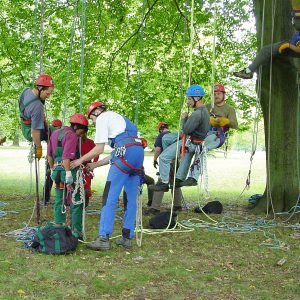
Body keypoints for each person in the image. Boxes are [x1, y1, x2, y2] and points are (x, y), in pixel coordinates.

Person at [71, 101, 144, 250]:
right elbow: (117, 153)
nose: (93, 122)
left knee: (109, 197)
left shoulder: (103, 118)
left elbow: (99, 149)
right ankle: (127, 237)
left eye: (91, 119)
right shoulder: (121, 121)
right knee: (130, 198)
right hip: (137, 153)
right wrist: (95, 165)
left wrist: (80, 160)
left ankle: (103, 238)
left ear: (95, 113)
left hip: (125, 154)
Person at [150, 84, 210, 192]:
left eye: (189, 99)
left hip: (190, 142)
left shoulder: (197, 113)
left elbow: (186, 130)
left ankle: (164, 182)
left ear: (197, 98)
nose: (187, 102)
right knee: (167, 139)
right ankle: (177, 178)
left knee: (163, 157)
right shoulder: (205, 111)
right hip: (196, 143)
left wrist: (184, 119)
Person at [180, 83, 238, 186]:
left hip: (217, 135)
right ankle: (179, 177)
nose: (216, 96)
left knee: (202, 148)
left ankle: (193, 177)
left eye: (219, 93)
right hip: (203, 133)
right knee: (189, 149)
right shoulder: (207, 107)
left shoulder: (229, 109)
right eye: (214, 94)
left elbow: (234, 124)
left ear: (224, 95)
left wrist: (224, 121)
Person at [47, 113, 88, 240]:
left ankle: (59, 227)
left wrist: (53, 168)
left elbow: (49, 155)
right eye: (82, 131)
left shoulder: (54, 133)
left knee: (59, 199)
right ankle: (76, 232)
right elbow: (66, 157)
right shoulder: (72, 136)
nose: (81, 135)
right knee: (76, 200)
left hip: (57, 171)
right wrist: (69, 174)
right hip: (68, 170)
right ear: (76, 126)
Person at [233, 14, 300, 79]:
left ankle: (248, 71)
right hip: (288, 44)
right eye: (294, 20)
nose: (294, 23)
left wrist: (288, 45)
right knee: (266, 55)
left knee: (266, 50)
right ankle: (253, 70)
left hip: (289, 47)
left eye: (296, 20)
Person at [18, 74, 54, 159]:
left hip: (24, 127)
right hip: (30, 132)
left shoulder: (26, 90)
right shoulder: (37, 106)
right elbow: (35, 131)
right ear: (41, 89)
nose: (48, 96)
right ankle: (52, 159)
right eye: (47, 93)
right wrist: (39, 147)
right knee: (55, 133)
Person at [43, 118, 63, 205]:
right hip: (52, 157)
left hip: (58, 158)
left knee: (57, 178)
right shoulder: (51, 133)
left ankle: (61, 199)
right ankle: (45, 199)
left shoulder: (56, 134)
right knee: (49, 178)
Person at [80, 133, 99, 207]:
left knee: (86, 186)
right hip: (76, 166)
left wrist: (93, 165)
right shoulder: (74, 141)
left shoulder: (90, 142)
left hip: (87, 166)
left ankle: (85, 204)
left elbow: (97, 153)